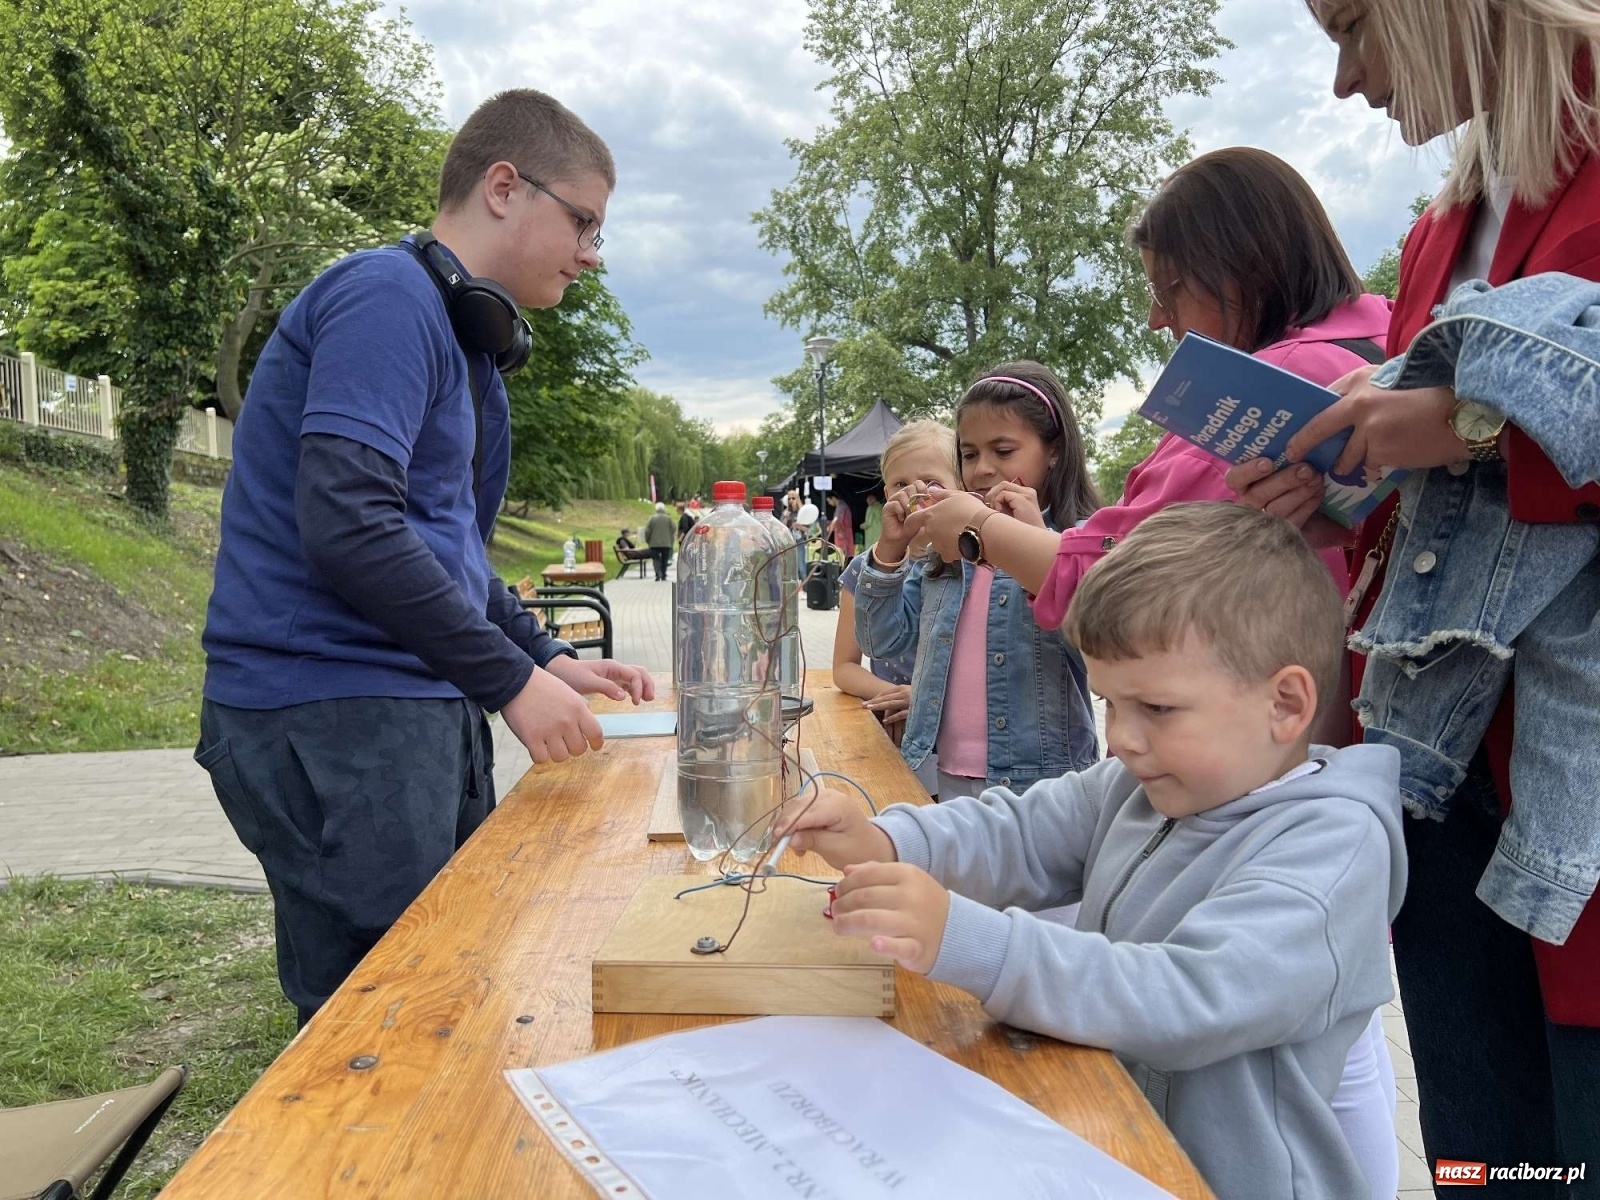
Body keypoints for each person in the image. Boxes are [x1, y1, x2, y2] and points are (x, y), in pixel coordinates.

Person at [1229, 1, 1600, 1179]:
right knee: (1479, 1158)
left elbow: (1473, 436)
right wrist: (1343, 490)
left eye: (1354, 26)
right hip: (1437, 776)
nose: (1346, 79)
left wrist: (1473, 423)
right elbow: (1445, 498)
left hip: (1575, 792)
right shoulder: (1444, 221)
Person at [782, 503, 1406, 1200]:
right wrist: (884, 838)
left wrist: (964, 937)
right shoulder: (1142, 783)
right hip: (1124, 1150)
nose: (1123, 740)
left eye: (1157, 709)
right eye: (1110, 703)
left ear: (1285, 704)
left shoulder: (1330, 854)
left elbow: (1183, 998)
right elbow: (1019, 832)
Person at [195, 89, 655, 1026]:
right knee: (388, 1019)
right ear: (503, 187)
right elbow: (349, 523)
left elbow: (444, 550)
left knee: (452, 983)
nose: (592, 254)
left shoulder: (462, 343)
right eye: (583, 222)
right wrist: (511, 682)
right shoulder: (386, 297)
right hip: (334, 712)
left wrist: (544, 655)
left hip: (403, 707)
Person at [906, 147, 1391, 652]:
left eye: (1167, 291)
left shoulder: (1263, 385)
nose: (1156, 319)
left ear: (1243, 271)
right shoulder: (1380, 342)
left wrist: (978, 528)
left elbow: (1121, 582)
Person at [854, 362, 1100, 800]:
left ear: (1055, 451)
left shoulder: (1077, 543)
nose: (983, 469)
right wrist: (889, 552)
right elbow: (880, 641)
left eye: (1003, 451)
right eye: (969, 455)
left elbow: (1099, 661)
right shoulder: (948, 547)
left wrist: (1036, 547)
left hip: (1044, 786)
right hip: (944, 772)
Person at [833, 422, 958, 792]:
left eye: (931, 482)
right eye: (901, 484)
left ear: (961, 486)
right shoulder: (864, 571)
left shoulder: (973, 565)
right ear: (887, 493)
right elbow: (843, 667)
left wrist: (924, 700)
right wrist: (890, 694)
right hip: (893, 733)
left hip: (954, 742)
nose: (915, 494)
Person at [642, 501, 676, 582]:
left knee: (656, 559)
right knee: (665, 559)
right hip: (666, 543)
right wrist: (670, 537)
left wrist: (648, 540)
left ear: (656, 509)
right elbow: (674, 528)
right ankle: (663, 575)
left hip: (654, 543)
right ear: (664, 509)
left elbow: (647, 531)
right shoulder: (669, 518)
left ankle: (658, 574)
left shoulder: (652, 518)